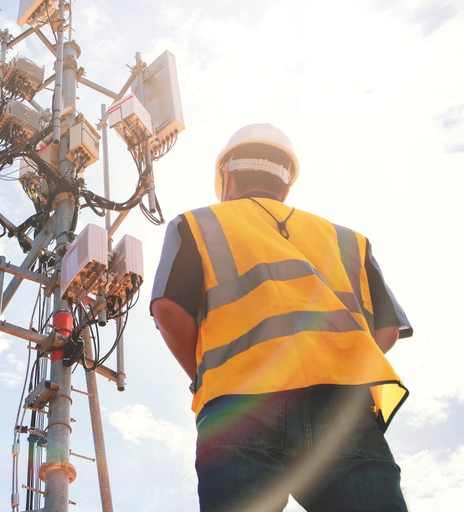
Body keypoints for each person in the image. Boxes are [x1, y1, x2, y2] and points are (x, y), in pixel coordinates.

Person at [150, 123, 413, 512]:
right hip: (342, 404)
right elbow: (387, 329)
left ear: (226, 176)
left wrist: (205, 377)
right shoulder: (349, 240)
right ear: (286, 185)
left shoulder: (196, 224)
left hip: (238, 402)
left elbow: (168, 308)